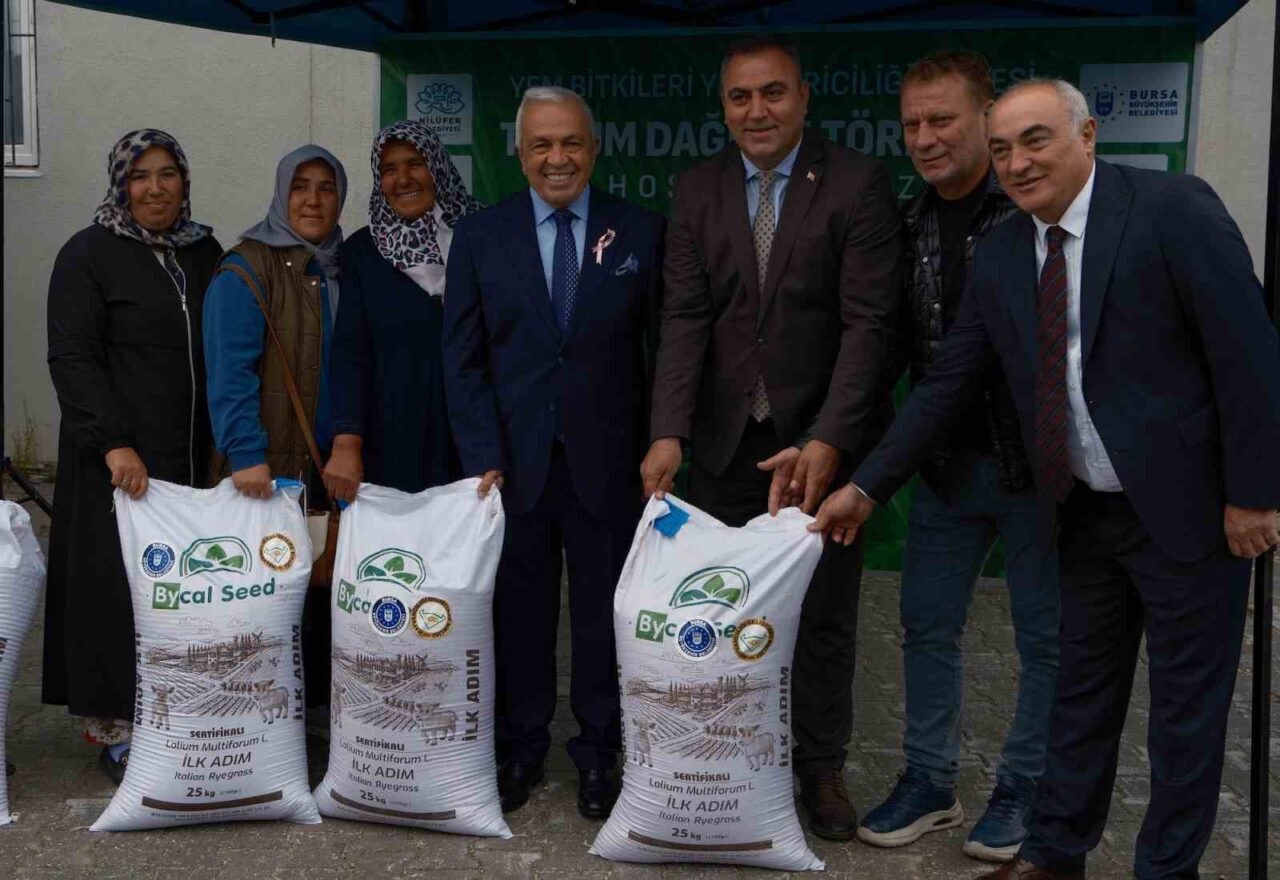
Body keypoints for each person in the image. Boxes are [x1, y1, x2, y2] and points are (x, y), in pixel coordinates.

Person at [815, 79, 1280, 879]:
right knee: (1079, 698)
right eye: (1002, 149)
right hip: (1083, 514)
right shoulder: (1003, 252)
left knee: (1184, 715)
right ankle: (1055, 856)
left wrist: (1256, 494)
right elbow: (946, 382)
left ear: (1087, 134)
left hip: (1193, 513)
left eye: (1036, 140)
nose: (1018, 163)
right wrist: (865, 487)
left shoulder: (1171, 210)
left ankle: (1166, 871)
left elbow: (1249, 354)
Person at [640, 35, 904, 840]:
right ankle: (727, 761)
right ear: (723, 108)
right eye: (740, 97)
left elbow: (869, 325)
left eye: (773, 93)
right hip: (724, 447)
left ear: (803, 98)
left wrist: (830, 437)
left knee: (822, 619)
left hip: (822, 451)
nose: (757, 110)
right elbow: (685, 318)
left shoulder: (856, 183)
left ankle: (819, 768)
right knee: (723, 614)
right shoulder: (697, 189)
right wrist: (668, 431)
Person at [855, 52, 1059, 863]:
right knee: (926, 627)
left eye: (943, 119)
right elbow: (886, 352)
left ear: (985, 118)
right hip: (943, 469)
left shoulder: (1029, 215)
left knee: (1045, 638)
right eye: (912, 124)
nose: (926, 137)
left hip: (1039, 472)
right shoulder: (906, 223)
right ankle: (931, 781)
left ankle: (1026, 787)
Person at [442, 86, 664, 819]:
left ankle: (600, 754)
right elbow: (462, 358)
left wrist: (663, 439)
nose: (557, 157)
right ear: (520, 153)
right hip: (512, 466)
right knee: (521, 615)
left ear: (594, 149)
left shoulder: (642, 231)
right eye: (541, 144)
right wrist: (482, 452)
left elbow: (666, 349)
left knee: (603, 618)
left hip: (611, 463)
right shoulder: (481, 236)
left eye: (570, 142)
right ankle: (521, 748)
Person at [44, 129, 222, 783]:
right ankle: (121, 730)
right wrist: (113, 442)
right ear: (121, 183)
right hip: (117, 463)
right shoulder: (88, 254)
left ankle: (185, 712)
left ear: (185, 181)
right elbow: (73, 356)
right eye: (140, 176)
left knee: (181, 588)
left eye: (167, 173)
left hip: (189, 458)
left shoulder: (203, 252)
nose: (154, 188)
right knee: (116, 592)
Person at [203, 144, 346, 718]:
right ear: (281, 194)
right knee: (263, 601)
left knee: (318, 594)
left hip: (326, 468)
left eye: (326, 187)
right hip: (266, 469)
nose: (313, 200)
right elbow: (230, 371)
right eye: (300, 187)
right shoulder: (247, 268)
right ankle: (252, 726)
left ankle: (310, 719)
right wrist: (245, 454)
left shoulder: (340, 265)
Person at [323, 121, 479, 501]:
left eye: (415, 164)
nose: (403, 179)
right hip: (391, 446)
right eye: (389, 169)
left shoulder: (480, 238)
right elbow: (350, 354)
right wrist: (346, 442)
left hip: (473, 446)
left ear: (437, 167)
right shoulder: (362, 253)